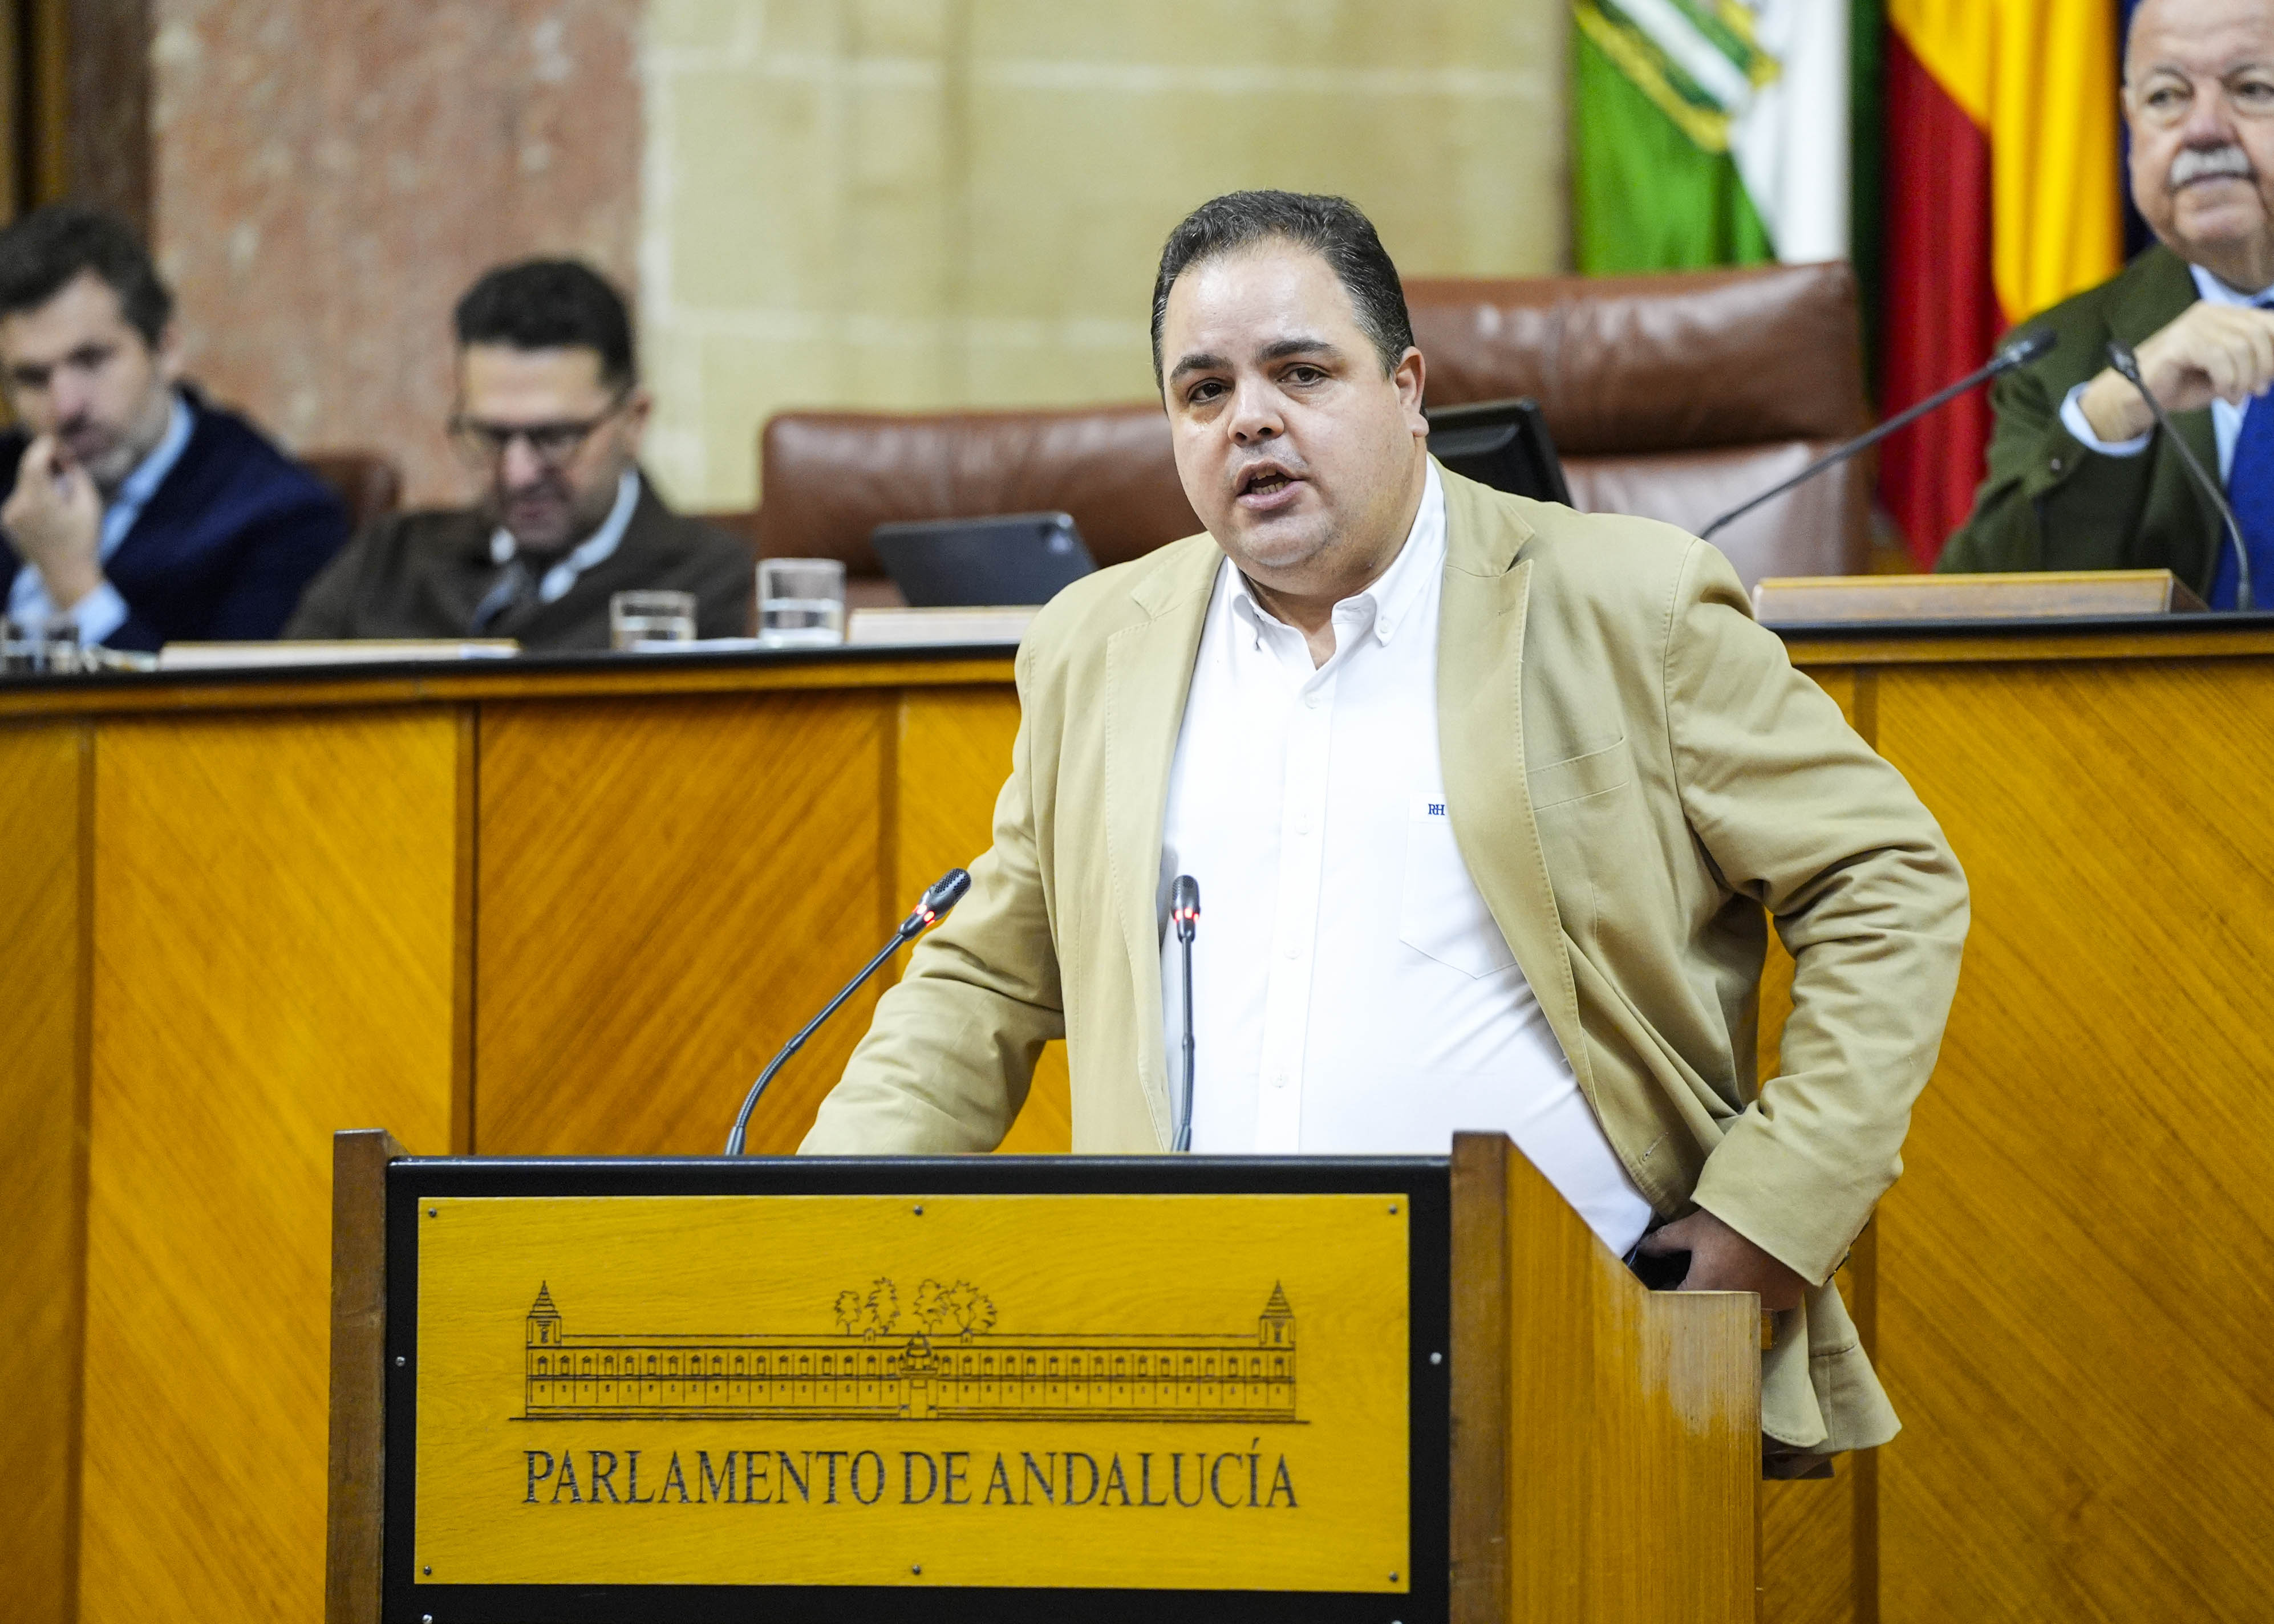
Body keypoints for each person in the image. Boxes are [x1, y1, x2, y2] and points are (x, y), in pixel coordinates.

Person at [796, 191, 1969, 1467]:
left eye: (1301, 371)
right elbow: (985, 973)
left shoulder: (1629, 603)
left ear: (1407, 387)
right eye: (1203, 391)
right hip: (1197, 1378)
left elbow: (1887, 880)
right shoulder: (1096, 643)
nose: (1249, 416)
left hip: (1572, 1354)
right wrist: (811, 1220)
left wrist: (1773, 1211)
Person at [1940, 0, 2274, 601]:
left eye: (2251, 88)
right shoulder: (2057, 354)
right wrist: (2110, 420)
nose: (2203, 130)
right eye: (2167, 98)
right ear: (2130, 124)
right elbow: (1975, 619)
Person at [287, 259, 751, 648]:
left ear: (634, 421)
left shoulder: (711, 585)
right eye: (491, 437)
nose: (518, 473)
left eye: (554, 438)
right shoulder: (390, 559)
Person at [0, 205, 348, 650]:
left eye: (91, 361)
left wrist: (73, 585)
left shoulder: (279, 515)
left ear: (166, 349)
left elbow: (225, 717)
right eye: (32, 378)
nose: (65, 407)